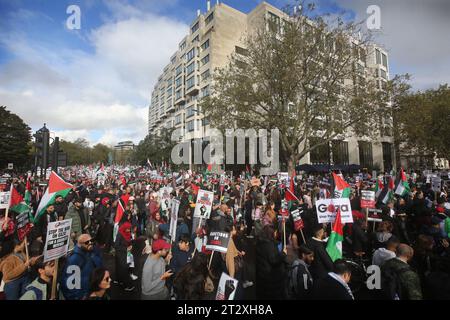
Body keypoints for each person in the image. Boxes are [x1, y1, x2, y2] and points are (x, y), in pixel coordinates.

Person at [60, 234, 103, 300]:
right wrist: (79, 297)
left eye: (91, 240)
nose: (90, 243)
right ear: (79, 244)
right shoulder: (74, 259)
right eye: (87, 242)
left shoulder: (93, 251)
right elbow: (70, 284)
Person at [255, 224, 288, 300]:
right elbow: (274, 260)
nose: (276, 234)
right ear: (271, 233)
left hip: (261, 276)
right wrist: (283, 254)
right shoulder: (269, 245)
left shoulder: (260, 242)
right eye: (275, 232)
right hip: (270, 278)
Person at [114, 221, 135, 291]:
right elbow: (116, 246)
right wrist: (126, 248)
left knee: (127, 267)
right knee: (123, 269)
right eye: (127, 229)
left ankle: (121, 281)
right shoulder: (120, 234)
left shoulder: (128, 233)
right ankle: (125, 285)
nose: (129, 230)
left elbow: (130, 240)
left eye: (129, 229)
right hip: (121, 254)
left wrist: (131, 244)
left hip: (127, 253)